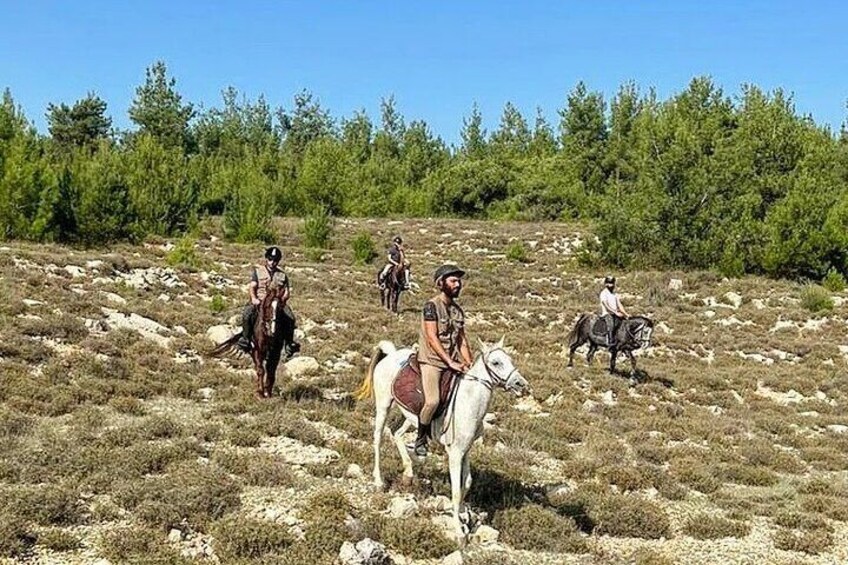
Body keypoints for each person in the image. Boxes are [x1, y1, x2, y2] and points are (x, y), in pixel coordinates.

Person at [414, 264, 473, 457]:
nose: (458, 284)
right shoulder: (431, 306)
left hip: (453, 359)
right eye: (453, 280)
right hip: (432, 360)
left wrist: (469, 361)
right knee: (432, 401)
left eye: (458, 280)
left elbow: (462, 339)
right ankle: (420, 439)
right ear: (441, 284)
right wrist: (450, 362)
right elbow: (432, 337)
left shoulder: (457, 311)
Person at [238, 246, 300, 359]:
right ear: (266, 259)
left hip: (276, 302)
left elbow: (286, 291)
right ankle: (245, 339)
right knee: (247, 313)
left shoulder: (282, 275)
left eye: (275, 260)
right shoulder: (258, 272)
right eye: (270, 259)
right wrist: (254, 298)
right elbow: (252, 287)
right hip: (260, 300)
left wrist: (282, 301)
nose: (272, 262)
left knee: (290, 317)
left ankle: (289, 343)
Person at [599, 275, 629, 349]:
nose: (611, 285)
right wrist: (616, 312)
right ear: (606, 284)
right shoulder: (603, 293)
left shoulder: (614, 294)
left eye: (612, 283)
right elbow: (606, 305)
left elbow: (619, 305)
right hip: (607, 314)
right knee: (611, 324)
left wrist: (626, 314)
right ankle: (610, 342)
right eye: (609, 283)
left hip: (616, 314)